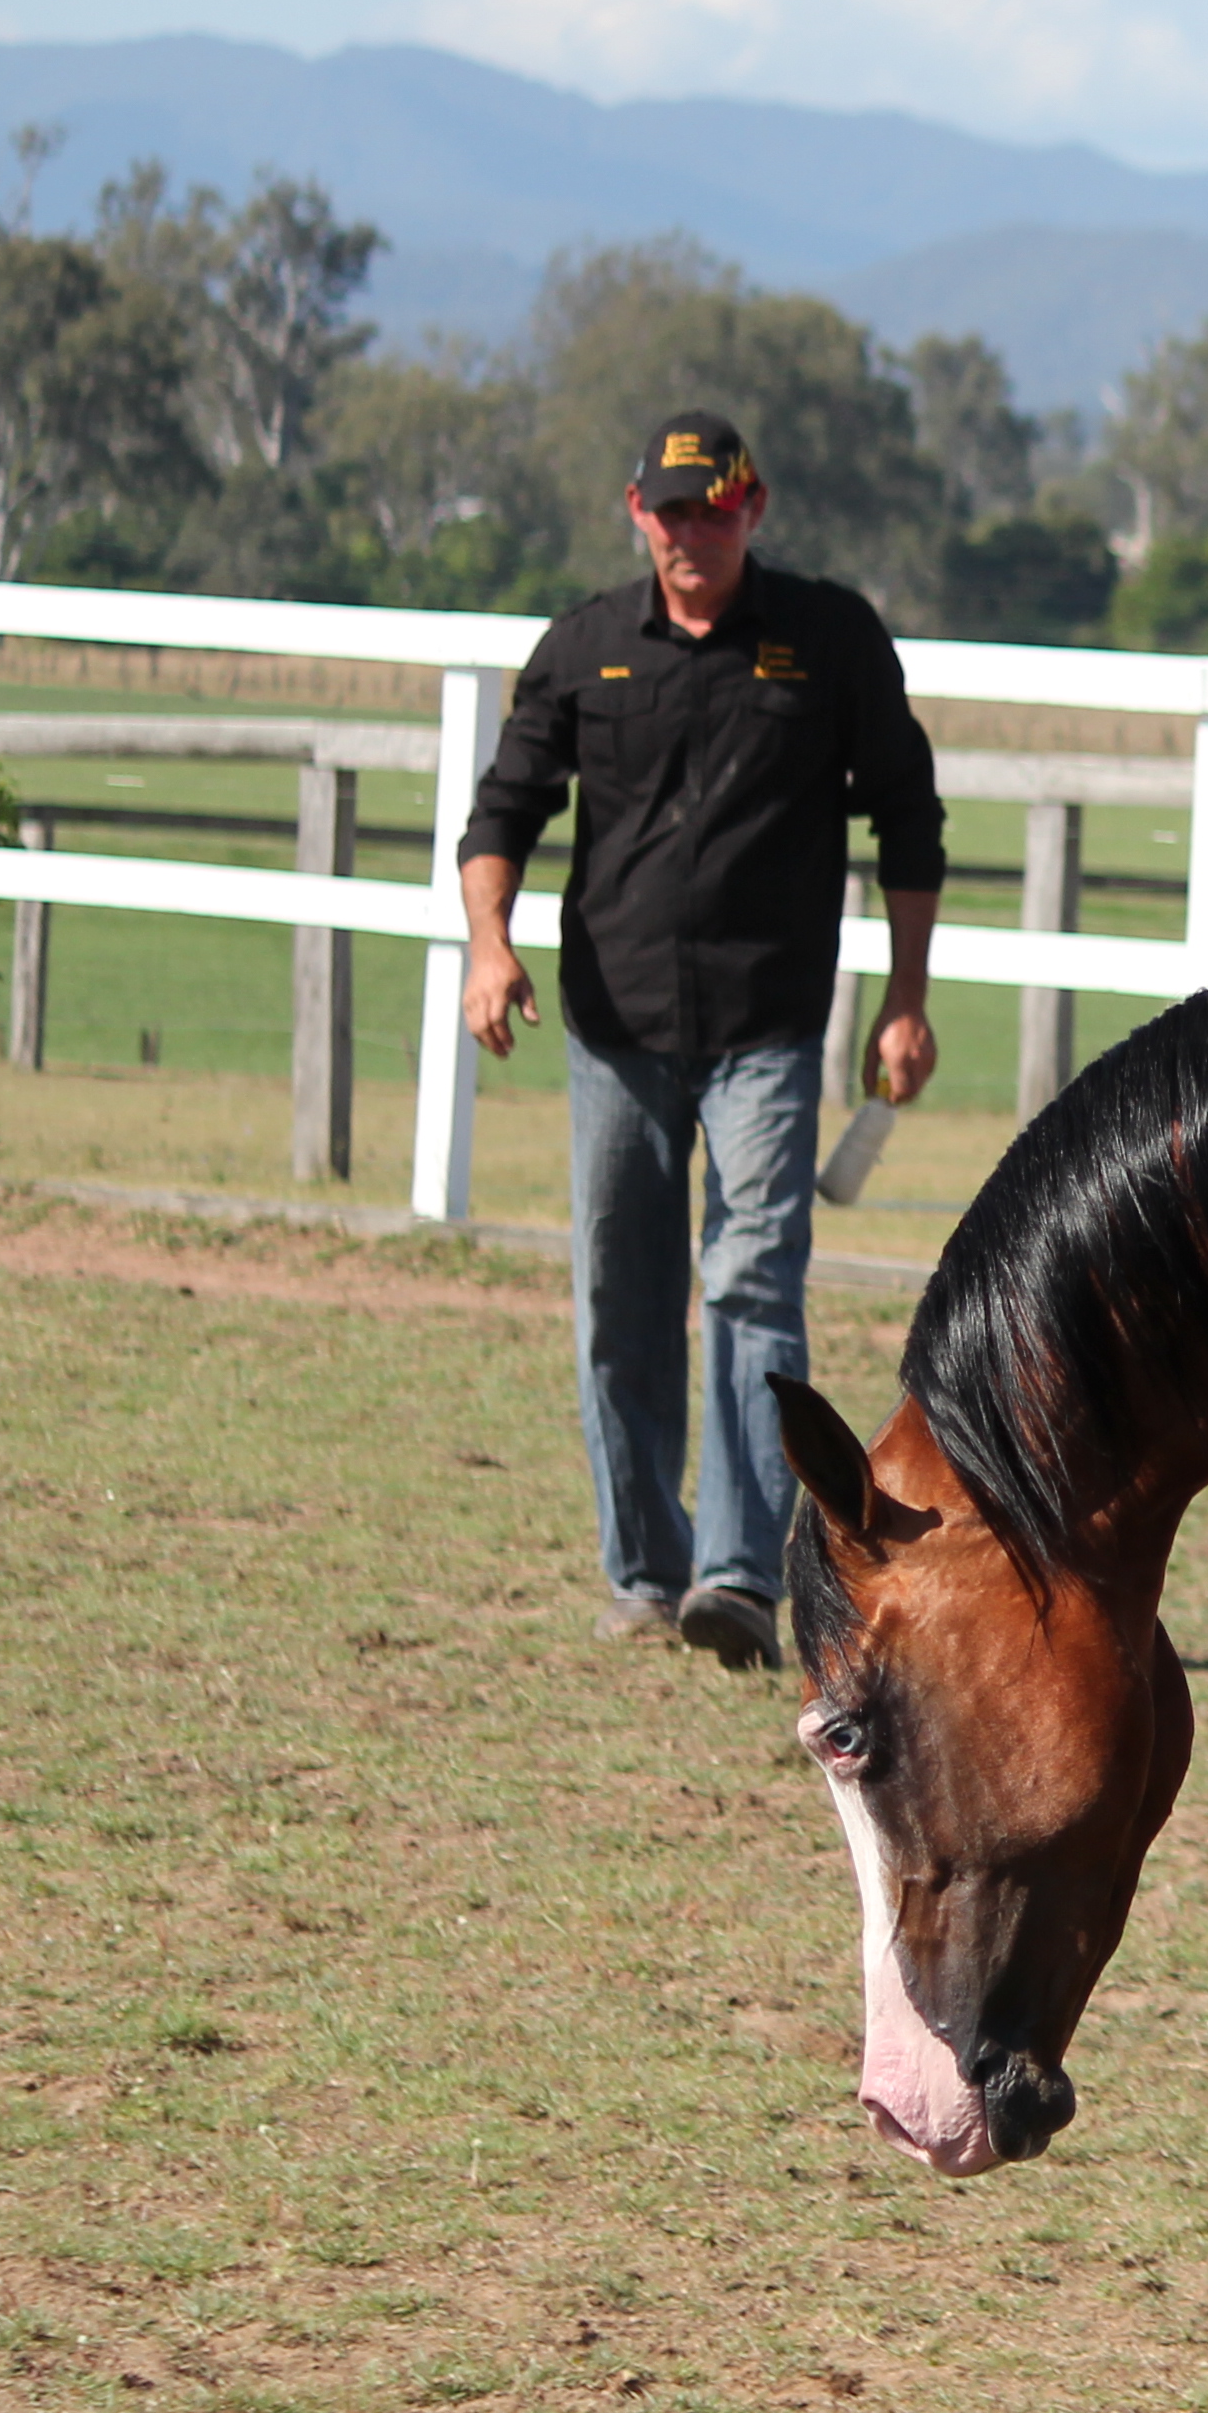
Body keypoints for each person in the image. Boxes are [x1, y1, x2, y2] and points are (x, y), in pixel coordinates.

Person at [456, 408, 946, 1672]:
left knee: (751, 1287)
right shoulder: (582, 647)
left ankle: (738, 1569)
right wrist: (489, 944)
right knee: (622, 1296)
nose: (690, 534)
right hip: (613, 1025)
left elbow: (908, 820)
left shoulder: (827, 640)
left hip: (768, 1026)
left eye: (712, 511)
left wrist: (908, 996)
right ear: (637, 514)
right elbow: (504, 803)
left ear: (753, 507)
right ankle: (643, 1567)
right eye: (669, 514)